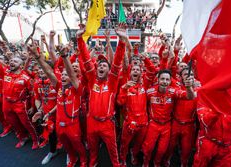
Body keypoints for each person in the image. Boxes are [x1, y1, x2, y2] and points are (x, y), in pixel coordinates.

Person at [28, 41, 87, 167]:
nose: (64, 76)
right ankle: (72, 158)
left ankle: (83, 159)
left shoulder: (78, 89)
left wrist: (65, 57)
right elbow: (49, 72)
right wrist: (38, 57)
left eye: (67, 75)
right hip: (60, 125)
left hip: (73, 125)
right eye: (63, 75)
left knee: (77, 143)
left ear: (74, 77)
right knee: (66, 145)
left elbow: (71, 73)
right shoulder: (59, 86)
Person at [76, 24, 126, 167]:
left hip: (107, 124)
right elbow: (86, 60)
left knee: (112, 148)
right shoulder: (92, 80)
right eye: (99, 65)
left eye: (105, 65)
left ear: (110, 71)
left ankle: (116, 163)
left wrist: (122, 41)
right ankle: (93, 161)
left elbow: (117, 62)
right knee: (92, 146)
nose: (101, 66)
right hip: (91, 121)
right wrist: (79, 39)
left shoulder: (112, 82)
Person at [142, 69, 195, 167]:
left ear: (170, 81)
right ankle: (145, 162)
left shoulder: (173, 91)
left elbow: (190, 97)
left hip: (167, 125)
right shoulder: (149, 92)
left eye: (167, 79)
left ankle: (156, 163)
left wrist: (188, 87)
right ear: (157, 80)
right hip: (153, 124)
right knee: (148, 148)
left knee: (162, 150)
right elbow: (141, 104)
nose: (164, 82)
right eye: (162, 79)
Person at [117, 54, 156, 166]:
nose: (135, 71)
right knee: (124, 143)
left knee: (138, 143)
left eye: (137, 69)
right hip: (129, 122)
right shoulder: (125, 86)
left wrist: (146, 60)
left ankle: (134, 154)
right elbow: (120, 102)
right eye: (133, 69)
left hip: (143, 123)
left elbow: (153, 71)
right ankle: (123, 159)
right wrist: (124, 89)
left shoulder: (145, 85)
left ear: (141, 72)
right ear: (130, 73)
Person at [0, 56, 39, 149]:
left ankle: (35, 139)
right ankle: (22, 137)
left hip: (20, 104)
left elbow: (33, 94)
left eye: (15, 61)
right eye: (11, 60)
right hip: (6, 103)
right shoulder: (6, 72)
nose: (12, 62)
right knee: (14, 123)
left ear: (21, 65)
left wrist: (33, 107)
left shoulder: (26, 78)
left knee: (27, 123)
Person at [193, 98, 231, 167]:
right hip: (207, 142)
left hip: (227, 146)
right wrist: (219, 107)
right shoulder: (205, 99)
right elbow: (205, 123)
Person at [164, 67, 199, 167]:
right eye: (186, 75)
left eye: (191, 75)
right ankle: (166, 161)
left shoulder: (200, 89)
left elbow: (193, 95)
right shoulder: (176, 87)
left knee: (186, 149)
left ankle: (184, 163)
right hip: (175, 123)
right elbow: (189, 96)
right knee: (170, 145)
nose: (189, 77)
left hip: (189, 126)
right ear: (181, 78)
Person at [31, 66, 58, 165]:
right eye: (39, 69)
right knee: (51, 135)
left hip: (60, 114)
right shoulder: (37, 83)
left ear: (50, 70)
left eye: (43, 68)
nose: (40, 70)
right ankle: (52, 152)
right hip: (47, 115)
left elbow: (61, 101)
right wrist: (40, 110)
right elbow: (37, 99)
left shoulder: (56, 82)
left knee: (66, 136)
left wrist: (50, 112)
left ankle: (71, 155)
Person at [0, 55, 12, 137]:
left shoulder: (6, 71)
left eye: (0, 59)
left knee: (6, 114)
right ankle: (6, 126)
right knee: (0, 114)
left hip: (3, 97)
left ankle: (8, 127)